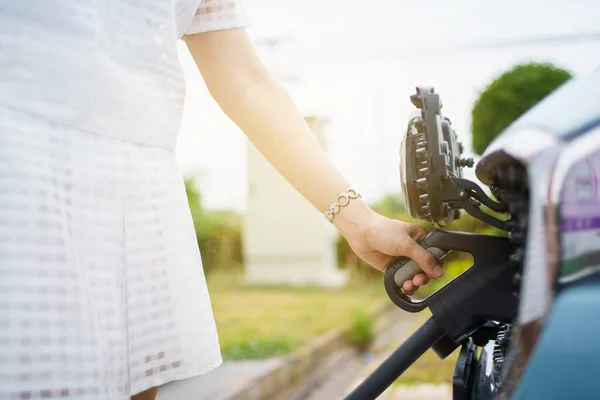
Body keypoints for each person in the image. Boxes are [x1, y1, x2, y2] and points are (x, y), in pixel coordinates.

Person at [0, 1, 443, 399]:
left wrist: (359, 221)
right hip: (22, 164)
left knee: (132, 381)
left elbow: (246, 80)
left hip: (138, 185)